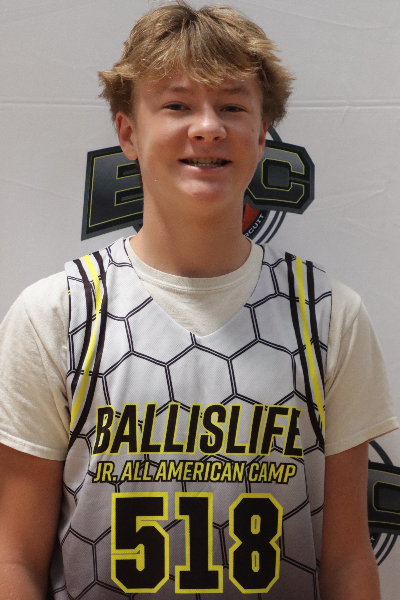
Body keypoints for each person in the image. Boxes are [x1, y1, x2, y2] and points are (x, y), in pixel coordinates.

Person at [0, 2, 398, 599]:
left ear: (262, 136)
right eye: (177, 105)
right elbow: (15, 559)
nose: (208, 127)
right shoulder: (55, 315)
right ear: (128, 133)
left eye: (233, 106)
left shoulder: (328, 316)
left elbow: (345, 559)